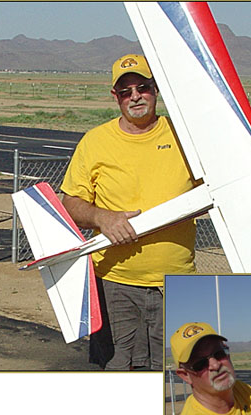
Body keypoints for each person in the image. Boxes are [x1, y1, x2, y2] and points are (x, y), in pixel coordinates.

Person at [60, 54, 198, 371]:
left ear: (156, 89)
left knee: (178, 375)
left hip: (175, 285)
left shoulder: (185, 137)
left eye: (142, 87)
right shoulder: (95, 142)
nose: (135, 96)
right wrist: (102, 218)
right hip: (114, 284)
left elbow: (220, 184)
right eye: (126, 91)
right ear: (116, 97)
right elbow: (71, 203)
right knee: (118, 371)